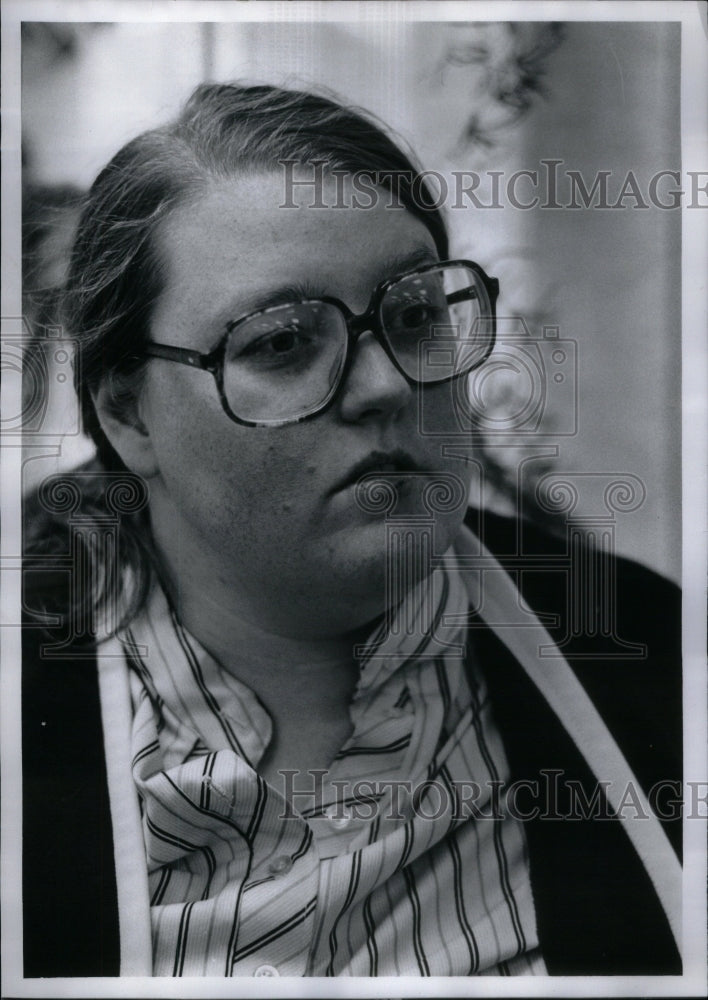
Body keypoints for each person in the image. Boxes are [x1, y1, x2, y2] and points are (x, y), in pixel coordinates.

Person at [22, 83, 681, 979]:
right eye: (283, 342)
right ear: (128, 413)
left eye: (413, 316)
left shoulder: (646, 655)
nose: (384, 388)